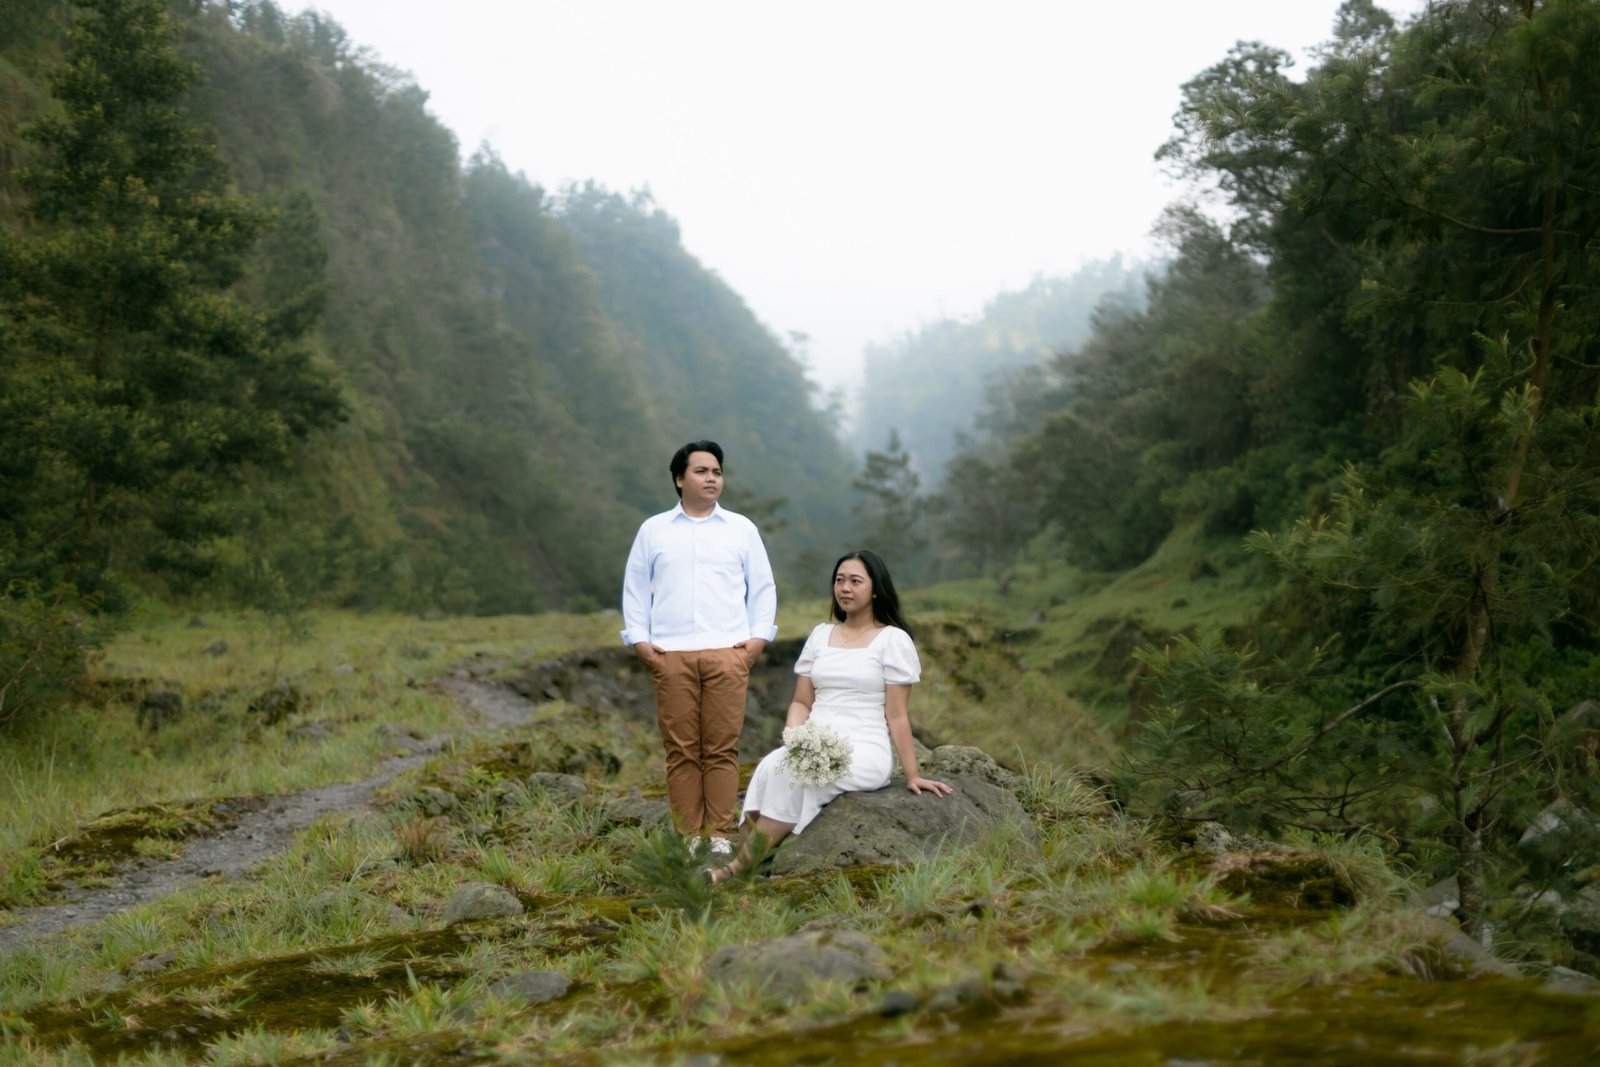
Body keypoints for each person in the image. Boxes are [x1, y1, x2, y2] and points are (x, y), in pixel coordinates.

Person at [708, 549, 951, 882]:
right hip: (814, 740)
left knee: (794, 774)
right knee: (771, 766)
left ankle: (731, 871)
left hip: (863, 749)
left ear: (876, 589)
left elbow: (897, 716)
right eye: (840, 580)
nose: (845, 588)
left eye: (855, 581)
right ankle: (753, 864)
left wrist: (912, 774)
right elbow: (801, 702)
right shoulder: (821, 635)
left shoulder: (893, 640)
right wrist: (796, 736)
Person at [621, 440, 777, 855]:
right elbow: (635, 589)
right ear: (679, 479)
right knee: (682, 750)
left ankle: (720, 835)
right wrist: (640, 640)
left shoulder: (741, 529)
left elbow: (763, 587)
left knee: (722, 748)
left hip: (728, 652)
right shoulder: (653, 530)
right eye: (702, 471)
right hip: (670, 654)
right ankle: (689, 836)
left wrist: (757, 640)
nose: (712, 479)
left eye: (717, 472)